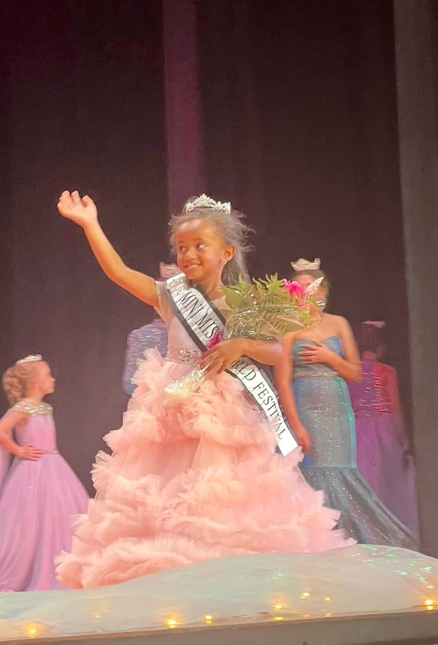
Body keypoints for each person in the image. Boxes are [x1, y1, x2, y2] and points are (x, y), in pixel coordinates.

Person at [54, 191, 351, 590]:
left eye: (199, 245)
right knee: (161, 496)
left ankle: (223, 584)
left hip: (221, 413)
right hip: (170, 409)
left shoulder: (246, 301)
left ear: (226, 252)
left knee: (218, 494)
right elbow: (119, 272)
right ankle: (167, 578)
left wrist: (240, 345)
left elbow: (275, 351)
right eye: (181, 247)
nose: (188, 254)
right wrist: (90, 225)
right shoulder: (171, 295)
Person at [274, 259, 417, 548]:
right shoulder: (286, 328)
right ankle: (320, 542)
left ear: (322, 290)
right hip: (305, 406)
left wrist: (329, 358)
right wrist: (295, 424)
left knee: (340, 469)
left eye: (308, 286)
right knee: (312, 471)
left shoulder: (338, 324)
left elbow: (354, 373)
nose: (302, 292)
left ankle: (353, 539)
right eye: (296, 287)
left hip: (337, 408)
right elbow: (282, 382)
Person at [0, 355, 88, 592]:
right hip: (32, 471)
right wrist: (18, 450)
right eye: (48, 375)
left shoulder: (45, 408)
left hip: (54, 466)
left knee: (59, 514)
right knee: (30, 520)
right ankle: (34, 572)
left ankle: (61, 570)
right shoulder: (23, 408)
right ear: (36, 382)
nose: (52, 379)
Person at [347, 321, 419, 537]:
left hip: (358, 430)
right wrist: (404, 438)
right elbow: (395, 407)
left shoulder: (349, 371)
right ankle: (389, 529)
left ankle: (366, 529)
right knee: (389, 480)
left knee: (366, 479)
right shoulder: (387, 371)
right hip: (383, 428)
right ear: (380, 347)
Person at [122, 264, 176, 395]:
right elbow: (129, 383)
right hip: (156, 404)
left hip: (195, 402)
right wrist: (158, 383)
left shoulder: (198, 333)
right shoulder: (141, 335)